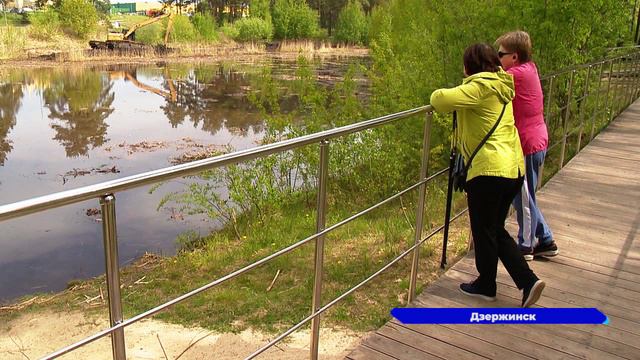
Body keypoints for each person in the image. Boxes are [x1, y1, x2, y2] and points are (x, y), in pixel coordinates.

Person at [430, 43, 545, 307]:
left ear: (470, 65)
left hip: (489, 170)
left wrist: (443, 89)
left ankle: (499, 283)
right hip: (512, 168)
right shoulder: (502, 85)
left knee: (484, 228)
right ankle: (514, 281)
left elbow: (440, 100)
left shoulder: (480, 87)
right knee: (493, 227)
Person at [495, 31, 558, 261]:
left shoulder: (515, 75)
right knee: (525, 194)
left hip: (528, 143)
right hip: (535, 138)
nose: (497, 58)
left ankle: (527, 243)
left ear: (514, 57)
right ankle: (545, 238)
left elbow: (490, 84)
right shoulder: (529, 69)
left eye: (500, 54)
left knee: (522, 195)